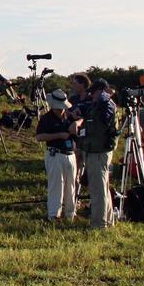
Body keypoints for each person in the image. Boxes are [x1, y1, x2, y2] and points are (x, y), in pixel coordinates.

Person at [74, 78, 118, 229]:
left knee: (98, 190)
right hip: (97, 151)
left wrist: (102, 97)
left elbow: (104, 118)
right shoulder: (99, 104)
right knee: (102, 188)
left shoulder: (105, 103)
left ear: (100, 91)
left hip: (99, 152)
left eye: (93, 93)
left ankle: (99, 224)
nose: (91, 96)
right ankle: (108, 221)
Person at [35, 88, 81, 222]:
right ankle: (54, 214)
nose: (59, 110)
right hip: (55, 154)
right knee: (56, 185)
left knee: (71, 185)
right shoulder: (46, 118)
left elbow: (82, 119)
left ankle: (70, 213)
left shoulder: (69, 115)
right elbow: (40, 137)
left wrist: (76, 123)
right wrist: (58, 135)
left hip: (70, 154)